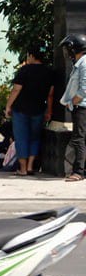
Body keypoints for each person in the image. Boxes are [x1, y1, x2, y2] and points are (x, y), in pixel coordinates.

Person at [5, 48, 55, 176]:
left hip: (21, 109)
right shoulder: (49, 72)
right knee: (34, 138)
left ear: (32, 56)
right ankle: (30, 166)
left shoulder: (24, 70)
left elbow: (16, 89)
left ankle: (22, 168)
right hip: (38, 109)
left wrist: (8, 106)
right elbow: (50, 94)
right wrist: (49, 110)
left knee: (21, 138)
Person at [60, 33, 86, 182]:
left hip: (82, 106)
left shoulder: (84, 63)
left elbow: (84, 88)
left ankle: (78, 172)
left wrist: (74, 102)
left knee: (79, 139)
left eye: (68, 49)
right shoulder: (80, 63)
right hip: (80, 106)